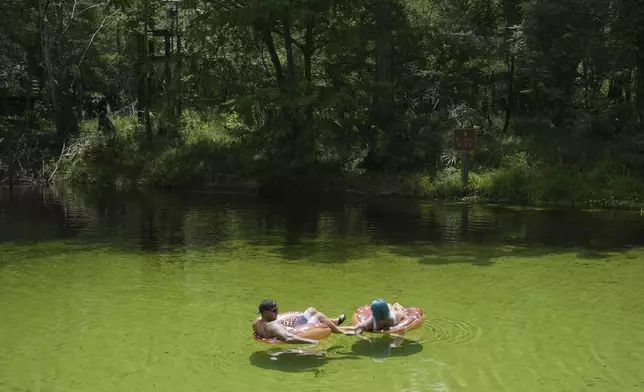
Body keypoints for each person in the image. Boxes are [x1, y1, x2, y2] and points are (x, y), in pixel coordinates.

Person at [252, 299, 351, 345]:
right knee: (319, 316)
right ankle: (341, 332)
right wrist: (313, 342)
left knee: (311, 310)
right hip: (296, 331)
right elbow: (288, 338)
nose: (277, 312)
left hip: (289, 328)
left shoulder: (256, 323)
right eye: (275, 311)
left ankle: (335, 322)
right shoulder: (273, 326)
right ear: (266, 312)